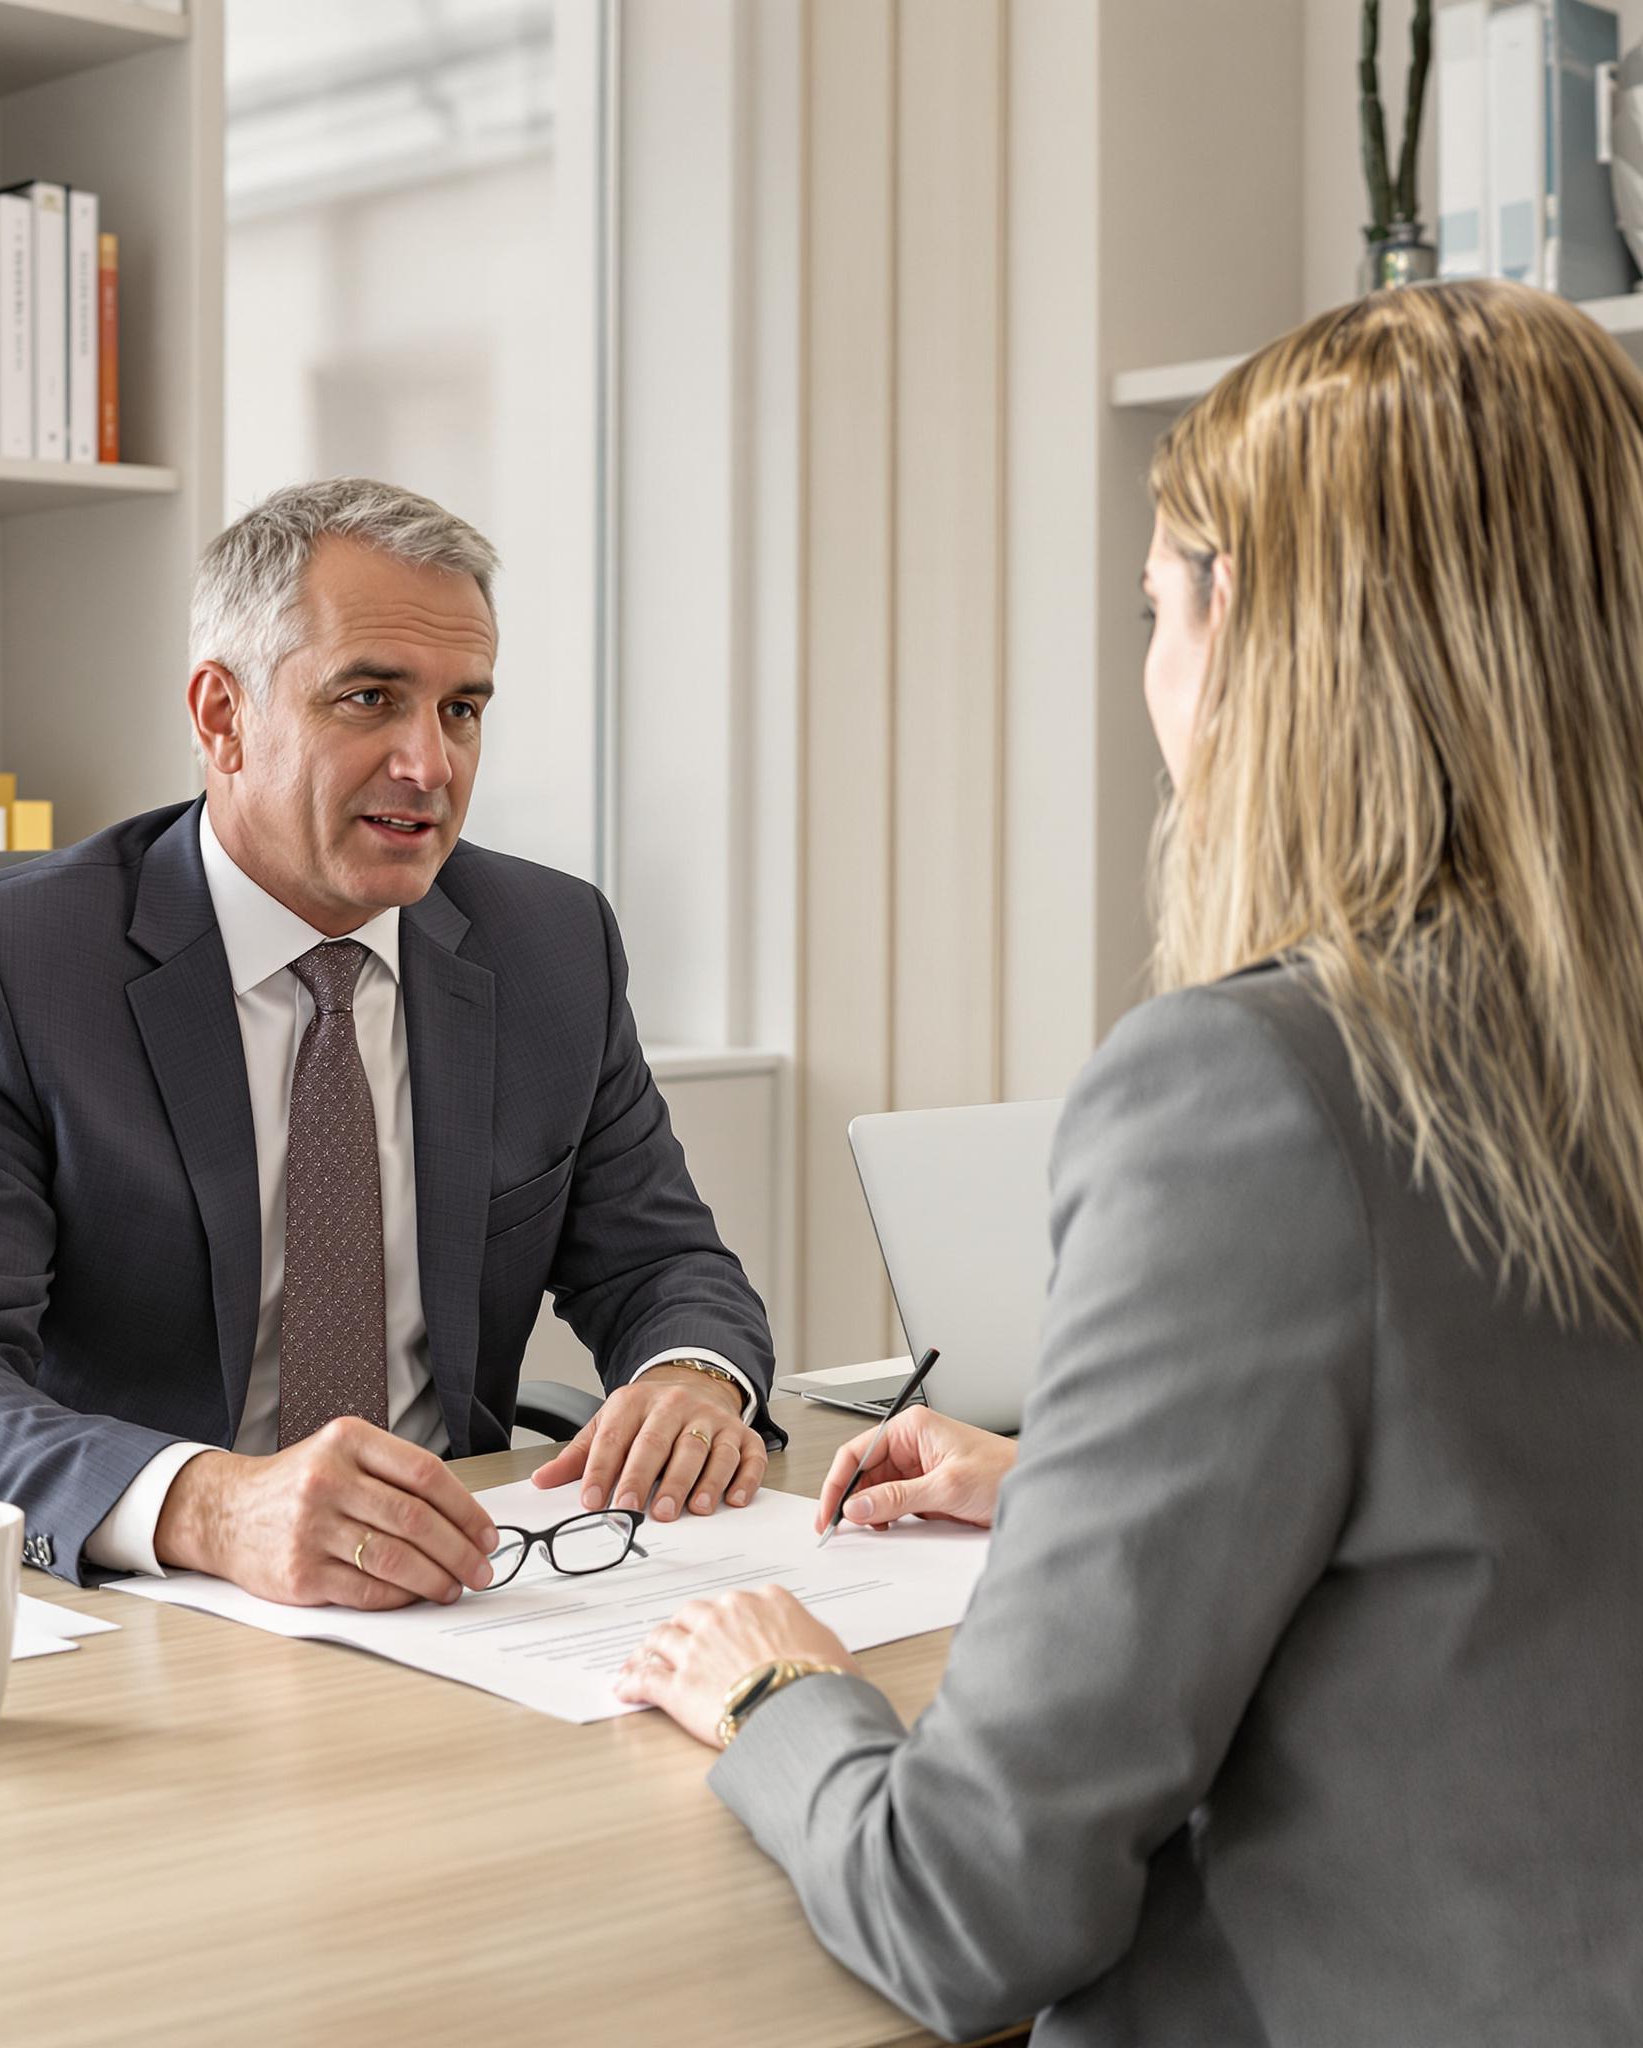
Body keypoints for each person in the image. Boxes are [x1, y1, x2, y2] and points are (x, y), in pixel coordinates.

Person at [616, 279, 1643, 2044]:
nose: (1148, 668)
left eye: (1152, 604)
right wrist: (1082, 1489)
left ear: (1261, 637)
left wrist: (779, 1687)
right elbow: (1538, 1522)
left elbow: (967, 1909)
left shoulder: (1255, 1086)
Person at [0, 478, 779, 1606]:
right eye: (368, 699)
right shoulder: (4, 964)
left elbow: (663, 1263)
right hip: (89, 1604)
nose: (430, 764)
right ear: (221, 715)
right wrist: (214, 1505)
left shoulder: (550, 945)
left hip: (438, 1607)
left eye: (461, 709)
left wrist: (690, 1377)